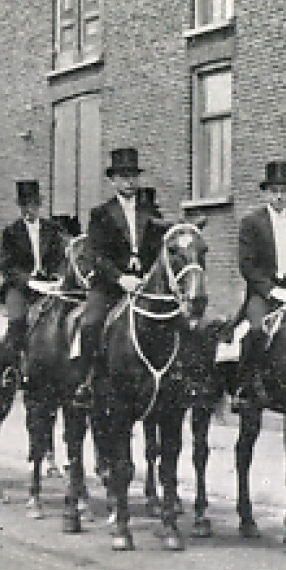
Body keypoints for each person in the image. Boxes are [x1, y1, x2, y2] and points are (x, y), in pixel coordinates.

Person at [75, 147, 163, 401]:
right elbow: (94, 255)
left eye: (133, 176)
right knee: (90, 322)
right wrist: (120, 278)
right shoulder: (100, 214)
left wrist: (151, 275)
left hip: (145, 284)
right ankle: (87, 381)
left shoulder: (151, 211)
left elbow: (160, 248)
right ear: (113, 181)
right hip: (110, 286)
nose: (129, 181)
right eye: (123, 176)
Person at [219, 161, 286, 379]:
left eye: (284, 191)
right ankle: (248, 385)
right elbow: (247, 266)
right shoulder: (251, 223)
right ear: (265, 193)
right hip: (265, 294)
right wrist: (273, 291)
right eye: (274, 191)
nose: (280, 197)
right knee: (256, 329)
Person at [0, 180, 69, 364]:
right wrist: (28, 280)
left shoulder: (52, 229)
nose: (29, 209)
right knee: (17, 320)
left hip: (49, 284)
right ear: (20, 207)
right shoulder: (11, 232)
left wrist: (58, 277)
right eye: (24, 205)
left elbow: (60, 257)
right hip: (20, 286)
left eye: (33, 204)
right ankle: (13, 368)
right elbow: (6, 265)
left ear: (39, 205)